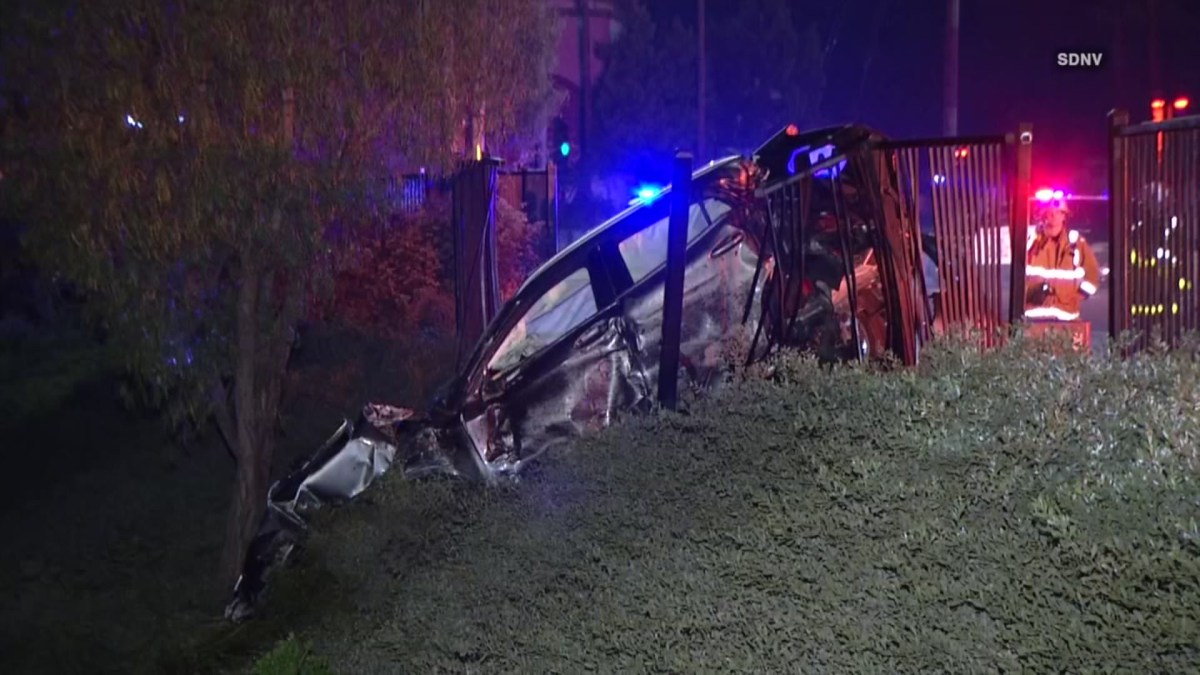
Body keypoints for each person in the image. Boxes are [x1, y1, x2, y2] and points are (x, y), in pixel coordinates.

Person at [1023, 198, 1100, 322]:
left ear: (1064, 217)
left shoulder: (1076, 243)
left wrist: (1077, 297)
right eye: (1049, 213)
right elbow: (1015, 278)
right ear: (1043, 216)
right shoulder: (1030, 242)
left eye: (1058, 213)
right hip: (1033, 320)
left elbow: (1092, 277)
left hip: (1067, 320)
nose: (1053, 217)